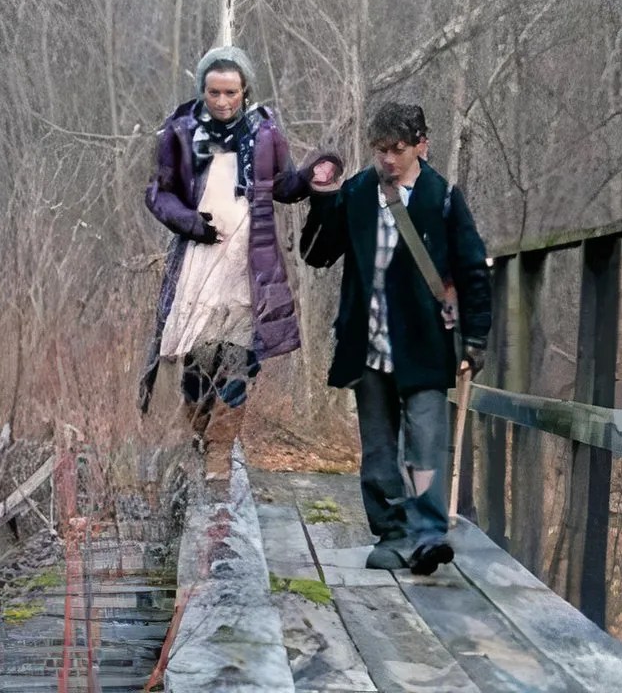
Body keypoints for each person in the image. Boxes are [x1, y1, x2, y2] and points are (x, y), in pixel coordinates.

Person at [299, 103, 490, 575]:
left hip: (423, 341)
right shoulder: (359, 192)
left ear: (420, 145)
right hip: (368, 342)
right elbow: (316, 254)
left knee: (425, 442)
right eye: (379, 149)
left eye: (397, 149)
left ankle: (427, 537)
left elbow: (472, 269)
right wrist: (322, 198)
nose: (387, 158)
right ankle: (392, 533)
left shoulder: (442, 197)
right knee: (380, 448)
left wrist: (477, 338)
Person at [139, 46, 340, 478]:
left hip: (250, 264)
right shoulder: (180, 130)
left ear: (245, 90)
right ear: (203, 90)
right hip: (198, 262)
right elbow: (158, 193)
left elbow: (282, 184)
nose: (223, 101)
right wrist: (191, 223)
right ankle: (199, 432)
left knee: (238, 358)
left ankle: (219, 453)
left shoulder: (265, 132)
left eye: (231, 92)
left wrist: (310, 177)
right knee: (197, 359)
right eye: (214, 92)